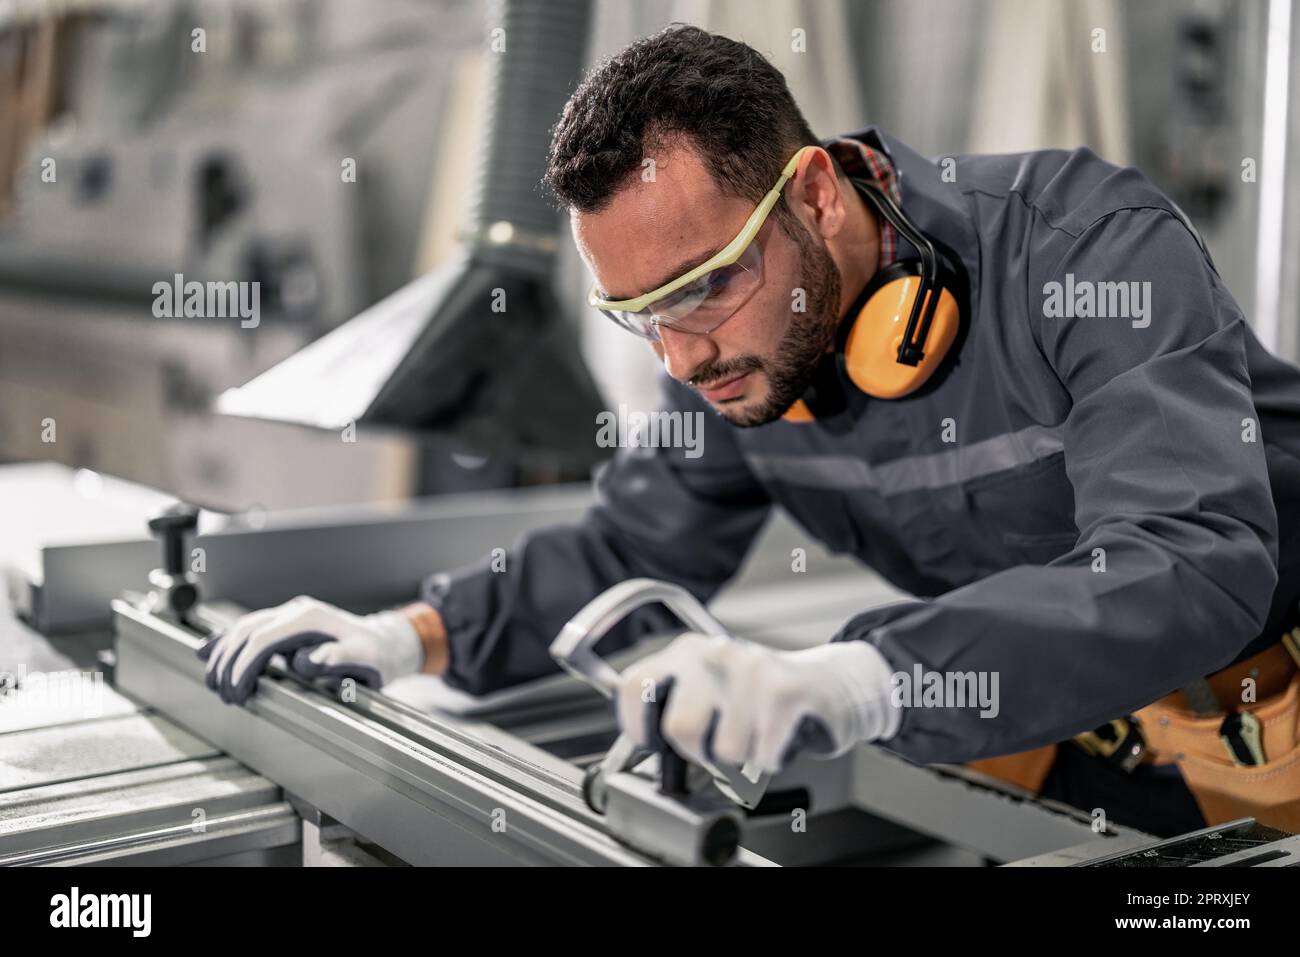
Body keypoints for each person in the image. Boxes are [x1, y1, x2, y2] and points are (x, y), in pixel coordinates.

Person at [199, 25, 1300, 836]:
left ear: (816, 194)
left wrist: (862, 678)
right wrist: (406, 637)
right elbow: (624, 548)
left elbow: (1188, 558)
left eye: (703, 288)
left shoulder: (1082, 250)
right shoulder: (735, 355)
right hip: (1051, 705)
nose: (678, 358)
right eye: (638, 316)